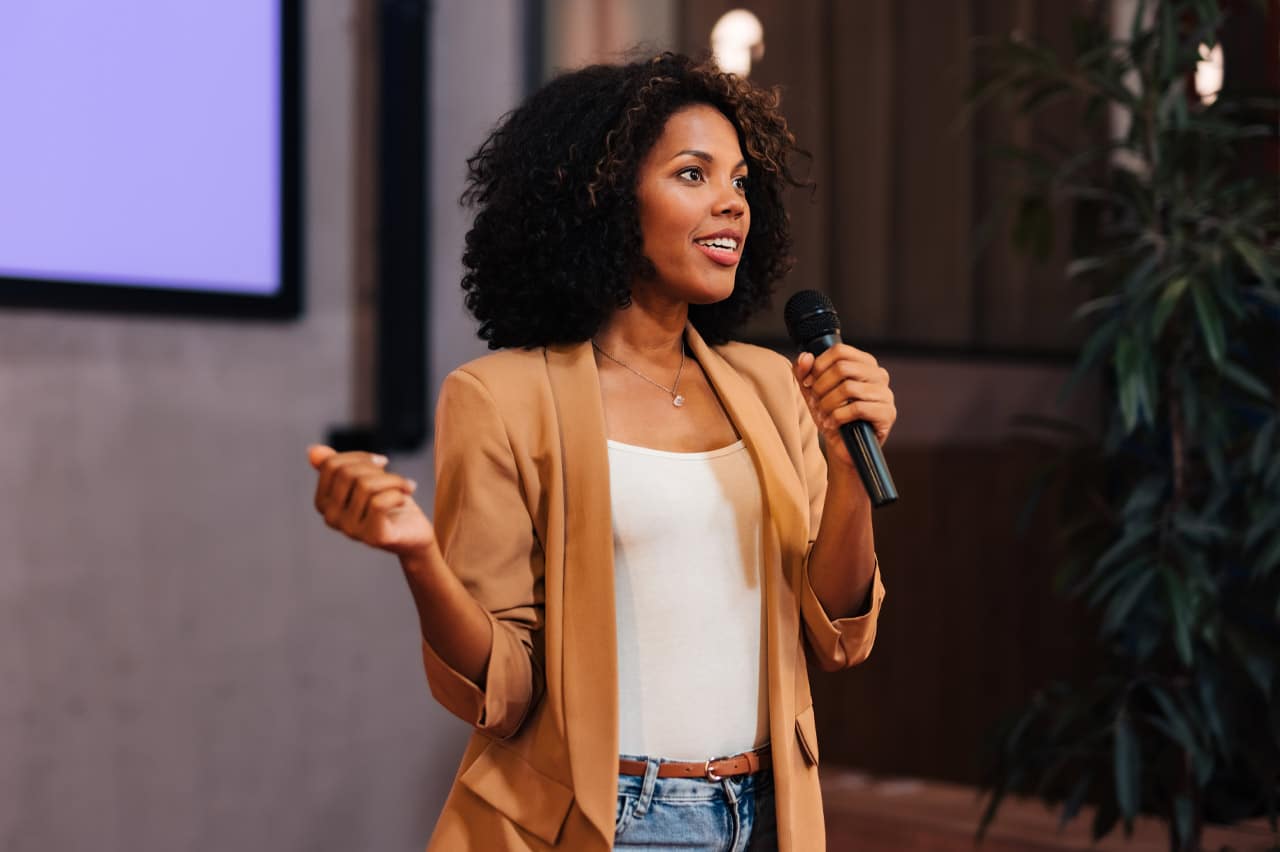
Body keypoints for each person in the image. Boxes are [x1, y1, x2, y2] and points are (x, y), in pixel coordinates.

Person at [307, 52, 893, 851]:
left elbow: (838, 635)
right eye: (693, 174)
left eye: (740, 181)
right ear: (605, 197)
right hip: (610, 818)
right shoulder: (500, 398)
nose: (732, 202)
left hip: (767, 814)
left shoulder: (772, 385)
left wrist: (848, 469)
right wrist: (419, 557)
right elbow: (502, 691)